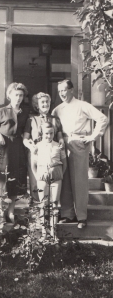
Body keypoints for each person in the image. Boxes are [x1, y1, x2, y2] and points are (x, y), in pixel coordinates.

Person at [52, 79, 108, 229]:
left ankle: (82, 216)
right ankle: (67, 214)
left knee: (79, 181)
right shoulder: (57, 109)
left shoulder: (83, 105)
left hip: (78, 143)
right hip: (63, 143)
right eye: (59, 91)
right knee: (65, 180)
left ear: (71, 90)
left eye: (64, 90)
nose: (62, 93)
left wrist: (92, 136)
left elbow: (103, 118)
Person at [0, 82, 29, 223]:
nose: (18, 98)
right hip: (4, 149)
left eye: (21, 95)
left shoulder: (25, 113)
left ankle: (11, 212)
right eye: (16, 95)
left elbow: (26, 131)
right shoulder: (1, 111)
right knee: (2, 181)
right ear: (9, 95)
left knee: (15, 181)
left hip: (18, 149)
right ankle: (1, 213)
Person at [23, 92, 64, 201]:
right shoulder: (31, 120)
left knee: (54, 184)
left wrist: (61, 141)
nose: (45, 104)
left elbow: (60, 137)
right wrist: (31, 147)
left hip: (52, 154)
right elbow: (25, 139)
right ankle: (38, 214)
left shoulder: (56, 119)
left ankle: (52, 215)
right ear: (37, 105)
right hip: (37, 154)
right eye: (42, 102)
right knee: (36, 183)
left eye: (47, 102)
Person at [32, 122, 67, 238]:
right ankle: (43, 233)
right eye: (46, 133)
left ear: (54, 133)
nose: (49, 136)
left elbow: (64, 163)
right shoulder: (37, 146)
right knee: (43, 204)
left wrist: (59, 173)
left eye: (51, 133)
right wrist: (37, 175)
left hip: (56, 176)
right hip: (42, 176)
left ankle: (53, 233)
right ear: (42, 133)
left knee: (55, 204)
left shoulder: (59, 145)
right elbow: (33, 164)